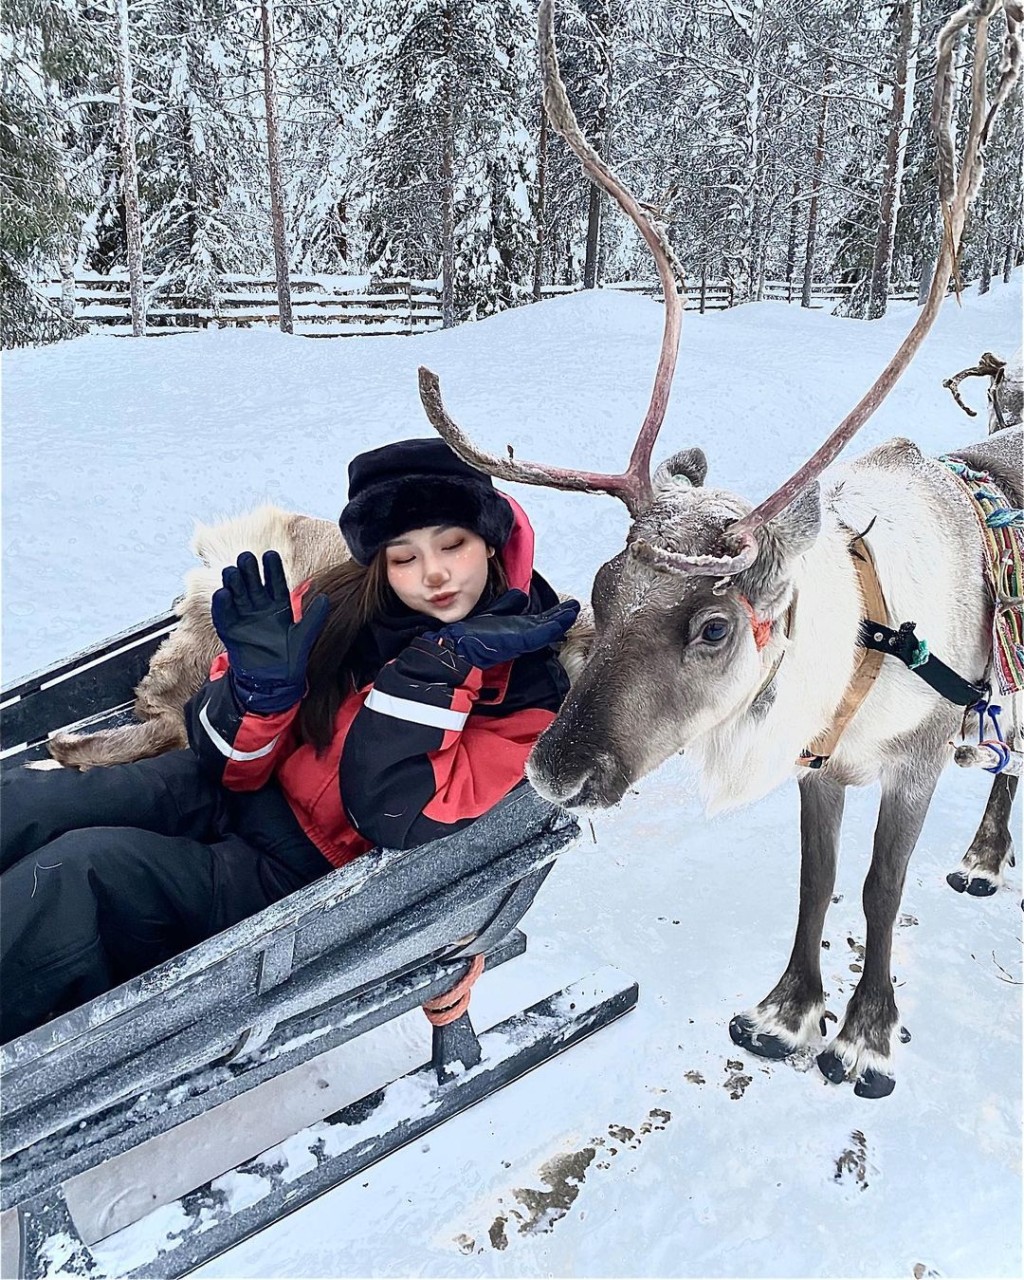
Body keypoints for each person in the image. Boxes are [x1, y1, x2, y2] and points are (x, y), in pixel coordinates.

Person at [0, 438, 579, 1043]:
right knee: (38, 804)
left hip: (305, 875)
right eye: (403, 557)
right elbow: (227, 767)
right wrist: (258, 689)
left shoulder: (526, 694)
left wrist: (438, 669)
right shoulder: (343, 603)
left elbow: (390, 810)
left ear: (489, 538)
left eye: (451, 544)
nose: (432, 573)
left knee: (79, 874)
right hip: (237, 790)